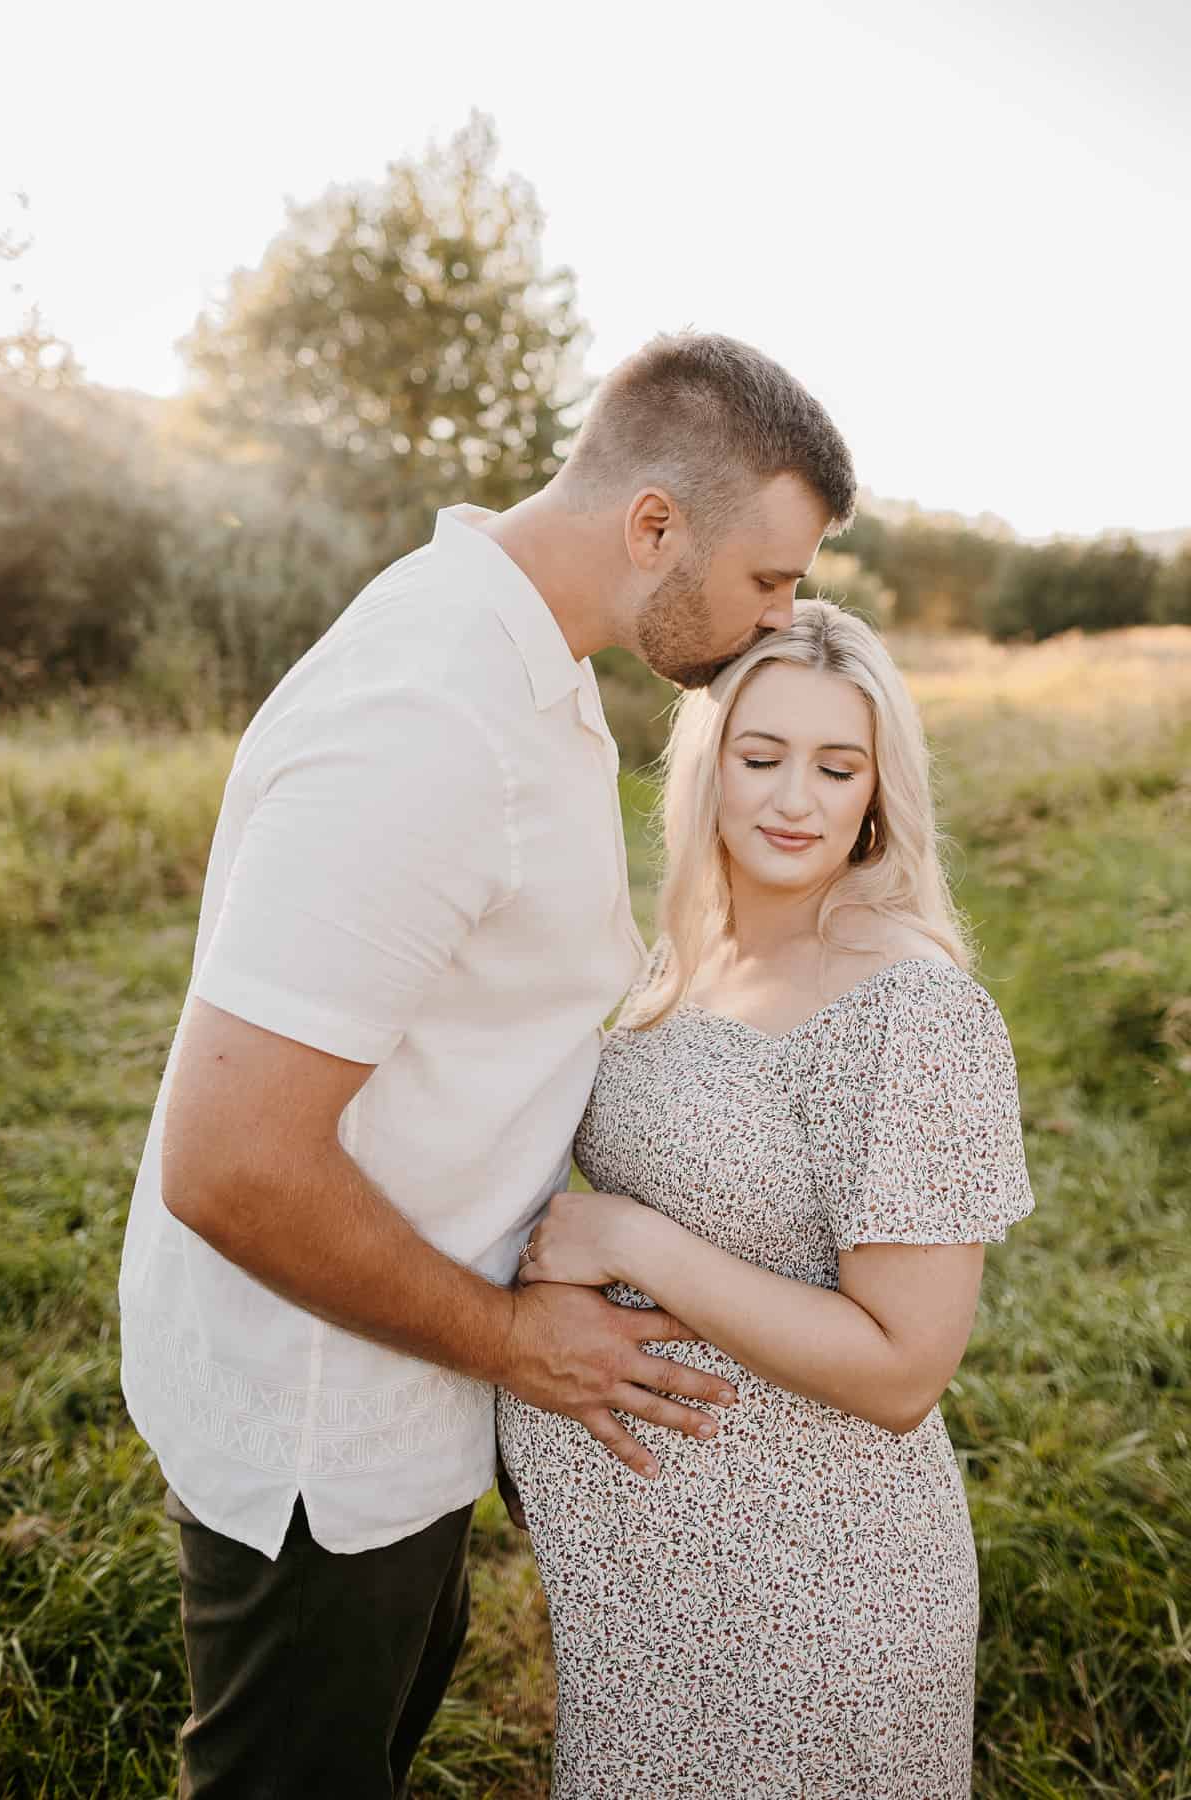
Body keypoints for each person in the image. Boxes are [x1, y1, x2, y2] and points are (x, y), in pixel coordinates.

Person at [116, 333, 858, 1797]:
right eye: (771, 578)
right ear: (655, 526)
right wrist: (518, 1343)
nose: (788, 614)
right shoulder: (430, 717)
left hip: (417, 1373)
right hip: (331, 1427)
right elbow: (232, 1163)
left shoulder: (527, 647)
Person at [498, 599, 1036, 1799]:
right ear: (708, 770)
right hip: (646, 1599)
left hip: (815, 1610)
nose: (796, 799)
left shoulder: (910, 1011)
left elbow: (905, 1371)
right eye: (762, 757)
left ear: (877, 792)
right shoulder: (680, 961)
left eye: (836, 766)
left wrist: (633, 1237)